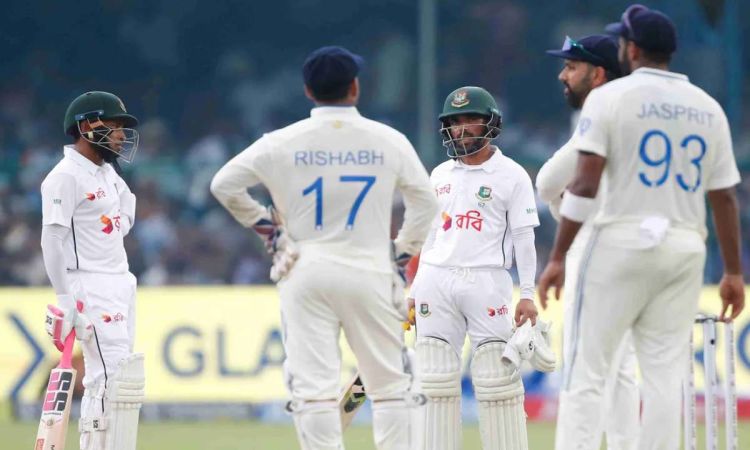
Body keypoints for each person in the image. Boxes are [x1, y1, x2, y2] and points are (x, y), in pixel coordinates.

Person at [537, 5, 745, 450]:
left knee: (586, 372)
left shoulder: (609, 98)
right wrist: (732, 272)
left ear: (630, 49)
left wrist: (557, 256)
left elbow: (586, 181)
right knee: (665, 376)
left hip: (619, 241)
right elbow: (724, 196)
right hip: (685, 247)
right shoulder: (707, 107)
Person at [210, 46, 438, 450]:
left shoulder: (280, 141)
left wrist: (271, 232)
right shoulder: (388, 139)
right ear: (355, 87)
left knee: (313, 390)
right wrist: (403, 251)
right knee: (389, 386)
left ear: (308, 92)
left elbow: (223, 185)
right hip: (370, 267)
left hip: (305, 267)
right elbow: (425, 202)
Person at [407, 86, 554, 450]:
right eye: (454, 122)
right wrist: (413, 291)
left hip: (487, 280)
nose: (461, 129)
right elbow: (429, 238)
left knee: (497, 381)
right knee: (435, 382)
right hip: (435, 279)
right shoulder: (439, 174)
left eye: (470, 119)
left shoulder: (513, 175)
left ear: (490, 124)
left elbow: (524, 239)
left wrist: (526, 294)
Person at [537, 35, 640, 450]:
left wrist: (567, 220)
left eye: (572, 67)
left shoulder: (600, 112)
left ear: (598, 74)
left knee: (584, 366)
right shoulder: (638, 109)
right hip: (636, 250)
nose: (563, 75)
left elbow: (546, 183)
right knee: (622, 369)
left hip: (594, 251)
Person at [41, 91, 145, 450]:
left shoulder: (105, 173)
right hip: (90, 284)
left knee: (122, 379)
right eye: (114, 127)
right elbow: (51, 239)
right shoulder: (64, 177)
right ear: (87, 126)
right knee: (107, 380)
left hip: (119, 280)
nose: (120, 135)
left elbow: (125, 211)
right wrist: (64, 297)